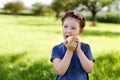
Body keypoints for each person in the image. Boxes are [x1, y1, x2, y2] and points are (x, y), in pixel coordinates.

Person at [50, 11, 95, 80]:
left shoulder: (85, 48)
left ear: (80, 31)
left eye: (73, 28)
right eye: (65, 26)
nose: (68, 30)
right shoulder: (57, 49)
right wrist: (69, 51)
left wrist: (79, 50)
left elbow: (89, 69)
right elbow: (60, 71)